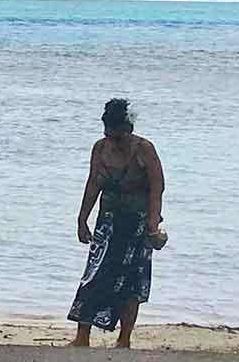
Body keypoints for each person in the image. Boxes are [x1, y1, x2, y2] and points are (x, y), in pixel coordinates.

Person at [67, 98, 165, 349]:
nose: (113, 141)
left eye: (118, 137)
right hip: (107, 223)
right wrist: (82, 219)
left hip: (137, 224)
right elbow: (93, 184)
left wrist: (153, 225)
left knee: (131, 282)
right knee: (93, 276)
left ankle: (124, 339)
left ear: (128, 130)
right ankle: (82, 337)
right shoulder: (100, 149)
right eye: (109, 135)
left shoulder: (144, 149)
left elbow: (157, 187)